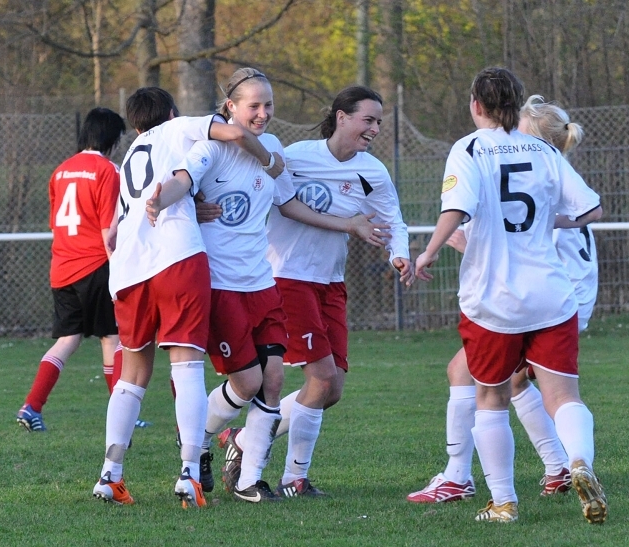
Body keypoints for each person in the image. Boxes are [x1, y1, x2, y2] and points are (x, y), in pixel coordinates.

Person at [181, 69, 391, 502]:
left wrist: (351, 226)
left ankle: (255, 474)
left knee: (301, 384)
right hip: (236, 282)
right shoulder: (205, 146)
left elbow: (289, 201)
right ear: (230, 107)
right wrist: (191, 204)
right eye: (253, 106)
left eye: (268, 105)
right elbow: (173, 185)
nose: (263, 113)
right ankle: (196, 443)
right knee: (257, 382)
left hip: (268, 282)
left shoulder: (279, 150)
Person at [414, 68, 607, 524]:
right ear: (517, 106)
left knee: (490, 398)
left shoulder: (469, 148)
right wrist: (545, 223)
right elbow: (591, 207)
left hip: (493, 299)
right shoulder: (545, 150)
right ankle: (577, 461)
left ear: (476, 105)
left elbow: (456, 208)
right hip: (551, 296)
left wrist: (428, 252)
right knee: (563, 396)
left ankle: (503, 502)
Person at [92, 86, 282, 509]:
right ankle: (189, 473)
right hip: (176, 257)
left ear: (135, 124)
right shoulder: (180, 128)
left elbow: (112, 229)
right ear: (173, 111)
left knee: (131, 375)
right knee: (187, 363)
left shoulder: (128, 157)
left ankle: (111, 476)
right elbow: (232, 135)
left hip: (128, 268)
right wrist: (269, 159)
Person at [258, 85, 412, 498]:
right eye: (368, 119)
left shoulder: (372, 171)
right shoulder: (296, 157)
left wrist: (400, 255)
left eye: (379, 122)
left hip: (331, 281)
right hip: (287, 276)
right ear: (341, 117)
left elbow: (392, 220)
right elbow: (267, 196)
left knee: (332, 389)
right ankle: (294, 478)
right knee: (321, 378)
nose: (375, 129)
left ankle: (244, 440)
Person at [16, 107, 125, 432]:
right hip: (95, 266)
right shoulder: (107, 170)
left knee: (67, 339)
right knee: (113, 338)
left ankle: (32, 406)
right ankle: (121, 417)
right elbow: (109, 230)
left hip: (62, 267)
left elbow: (57, 223)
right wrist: (119, 271)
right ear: (111, 137)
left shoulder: (60, 171)